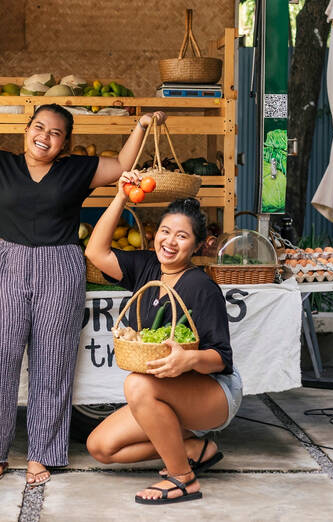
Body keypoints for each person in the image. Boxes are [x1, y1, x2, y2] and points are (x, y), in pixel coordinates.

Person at [0, 101, 166, 487]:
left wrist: (142, 125)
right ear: (26, 129)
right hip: (7, 262)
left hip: (61, 265)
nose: (44, 137)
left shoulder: (75, 171)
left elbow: (120, 166)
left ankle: (42, 453)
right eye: (39, 127)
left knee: (54, 359)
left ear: (65, 143)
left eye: (55, 133)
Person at [84, 171, 243, 505]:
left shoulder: (201, 287)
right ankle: (193, 448)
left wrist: (189, 358)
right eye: (166, 232)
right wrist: (121, 198)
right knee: (100, 447)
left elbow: (222, 359)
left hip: (214, 393)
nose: (170, 242)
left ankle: (182, 478)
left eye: (182, 236)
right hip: (169, 392)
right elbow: (95, 252)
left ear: (198, 245)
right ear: (155, 234)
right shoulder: (146, 268)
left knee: (137, 384)